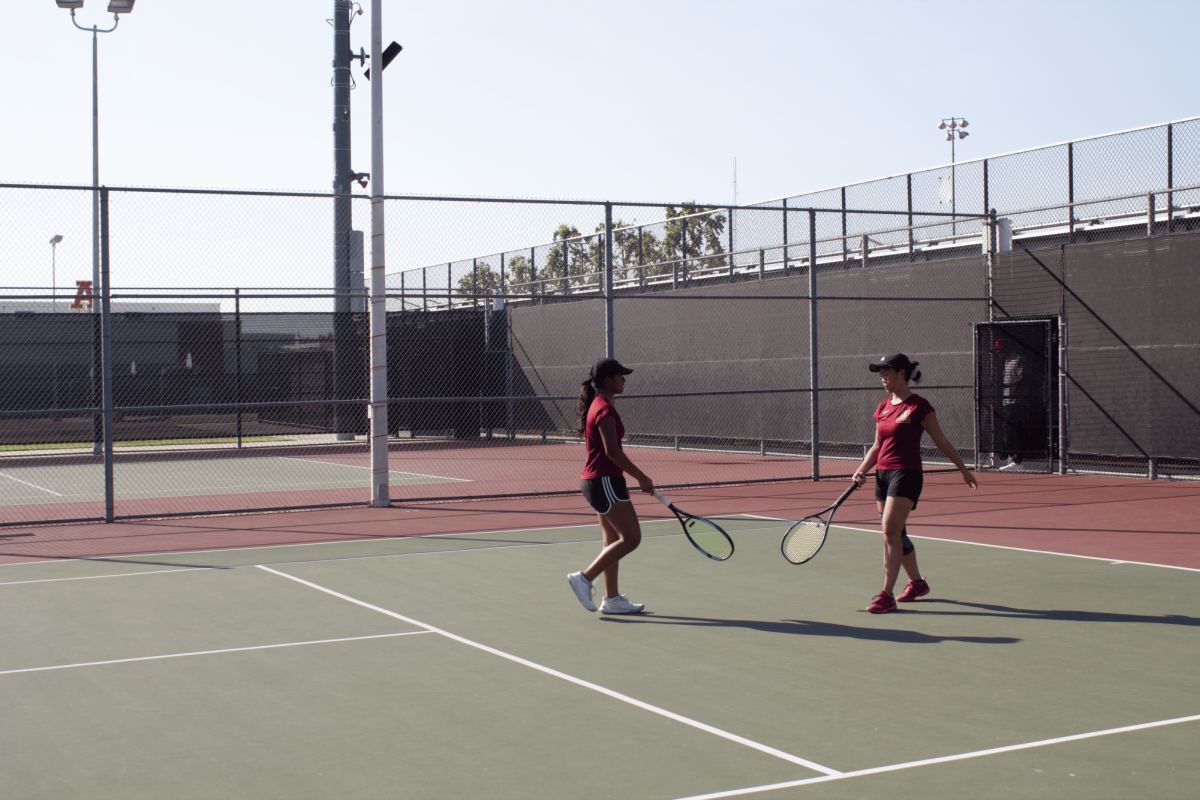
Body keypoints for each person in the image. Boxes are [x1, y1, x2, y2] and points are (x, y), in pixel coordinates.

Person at [851, 352, 978, 614]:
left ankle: (886, 595)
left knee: (889, 531)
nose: (883, 378)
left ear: (902, 374)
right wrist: (862, 469)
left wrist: (963, 470)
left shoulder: (920, 406)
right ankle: (918, 584)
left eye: (887, 373)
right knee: (897, 534)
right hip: (883, 475)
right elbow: (877, 446)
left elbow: (941, 441)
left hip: (906, 474)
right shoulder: (883, 406)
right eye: (881, 374)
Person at [567, 357, 654, 615]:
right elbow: (612, 452)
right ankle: (583, 578)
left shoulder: (598, 405)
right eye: (620, 376)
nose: (624, 380)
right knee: (632, 538)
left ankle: (612, 599)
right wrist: (642, 477)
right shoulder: (604, 409)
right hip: (604, 480)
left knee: (612, 539)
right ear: (608, 380)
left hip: (599, 481)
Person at [996, 338, 1028, 471]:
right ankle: (1011, 458)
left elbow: (1023, 377)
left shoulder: (1017, 359)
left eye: (1000, 350)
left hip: (1016, 402)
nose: (998, 353)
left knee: (1013, 431)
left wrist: (1009, 385)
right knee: (1006, 430)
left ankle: (1017, 461)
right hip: (1006, 401)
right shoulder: (1006, 361)